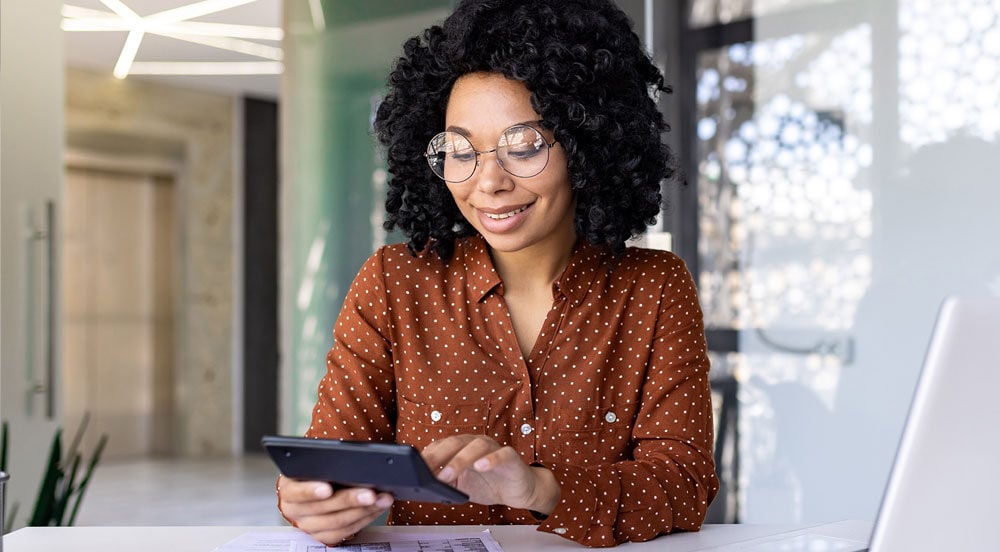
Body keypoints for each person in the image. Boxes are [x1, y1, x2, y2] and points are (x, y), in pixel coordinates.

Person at [276, 0, 719, 547]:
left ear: (589, 143)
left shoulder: (653, 288)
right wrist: (311, 500)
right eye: (461, 149)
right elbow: (331, 464)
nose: (487, 182)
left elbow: (683, 485)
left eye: (524, 146)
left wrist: (538, 489)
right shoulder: (394, 284)